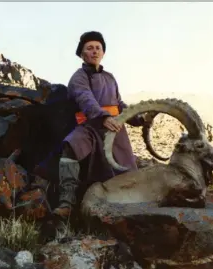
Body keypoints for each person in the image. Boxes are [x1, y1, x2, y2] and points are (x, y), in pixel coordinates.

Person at [52, 31, 145, 219]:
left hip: (115, 132)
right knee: (71, 146)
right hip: (90, 127)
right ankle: (67, 203)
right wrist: (102, 117)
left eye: (98, 48)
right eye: (89, 48)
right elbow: (85, 99)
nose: (94, 51)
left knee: (127, 173)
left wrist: (137, 117)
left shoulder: (110, 78)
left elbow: (119, 105)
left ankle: (134, 211)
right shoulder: (78, 77)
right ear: (82, 53)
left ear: (103, 52)